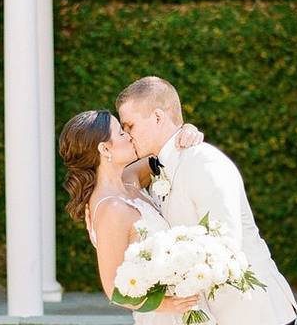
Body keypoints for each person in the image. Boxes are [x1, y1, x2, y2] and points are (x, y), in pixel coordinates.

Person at [116, 76, 297, 325]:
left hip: (253, 313)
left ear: (158, 118)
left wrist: (164, 266)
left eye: (130, 126)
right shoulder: (158, 167)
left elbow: (226, 244)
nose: (127, 136)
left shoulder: (204, 162)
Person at [59, 109, 214, 324]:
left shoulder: (129, 179)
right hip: (165, 315)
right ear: (105, 149)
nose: (129, 135)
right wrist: (168, 304)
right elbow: (113, 288)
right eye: (121, 133)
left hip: (189, 304)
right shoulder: (111, 209)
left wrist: (186, 131)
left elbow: (164, 152)